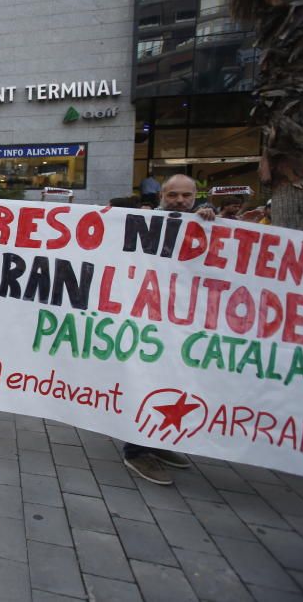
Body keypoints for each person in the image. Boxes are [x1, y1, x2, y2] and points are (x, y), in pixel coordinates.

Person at [121, 174, 214, 483]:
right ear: (162, 195)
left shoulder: (206, 224)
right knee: (148, 381)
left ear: (196, 195)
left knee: (176, 381)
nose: (179, 201)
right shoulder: (149, 223)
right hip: (148, 321)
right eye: (172, 194)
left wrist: (213, 220)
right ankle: (136, 451)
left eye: (186, 195)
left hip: (186, 323)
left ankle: (157, 441)